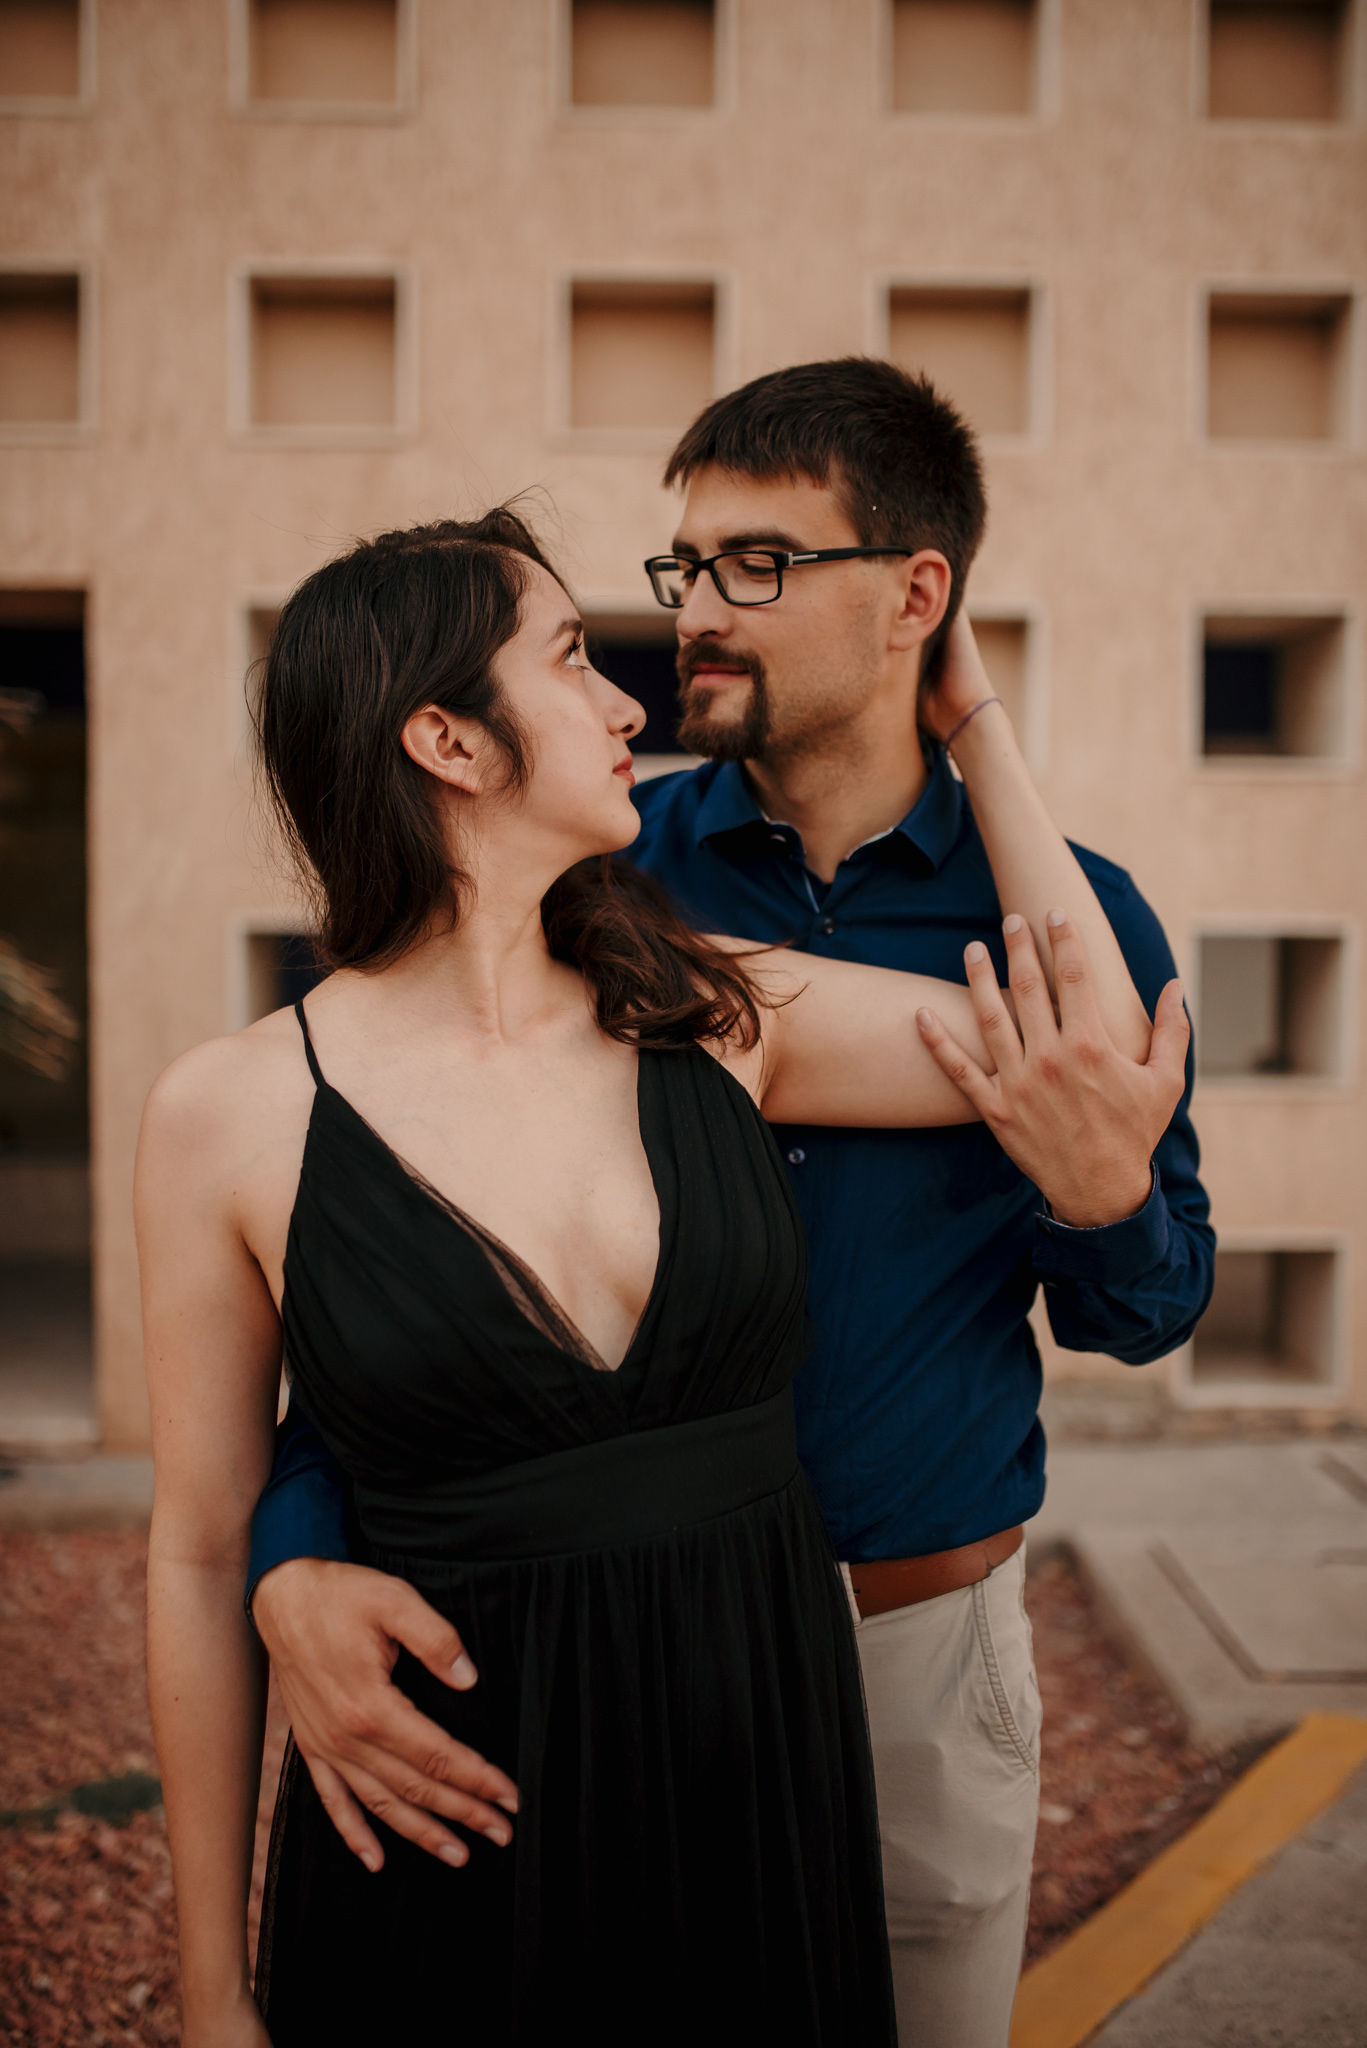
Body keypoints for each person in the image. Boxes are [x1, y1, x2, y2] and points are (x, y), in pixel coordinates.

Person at [235, 363, 1214, 2047]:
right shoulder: (598, 876)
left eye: (757, 564)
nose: (692, 613)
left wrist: (1100, 1187)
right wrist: (289, 1561)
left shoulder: (1069, 917)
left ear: (917, 595)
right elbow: (395, 1296)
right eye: (685, 565)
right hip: (611, 1657)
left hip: (914, 1654)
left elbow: (1147, 1308)